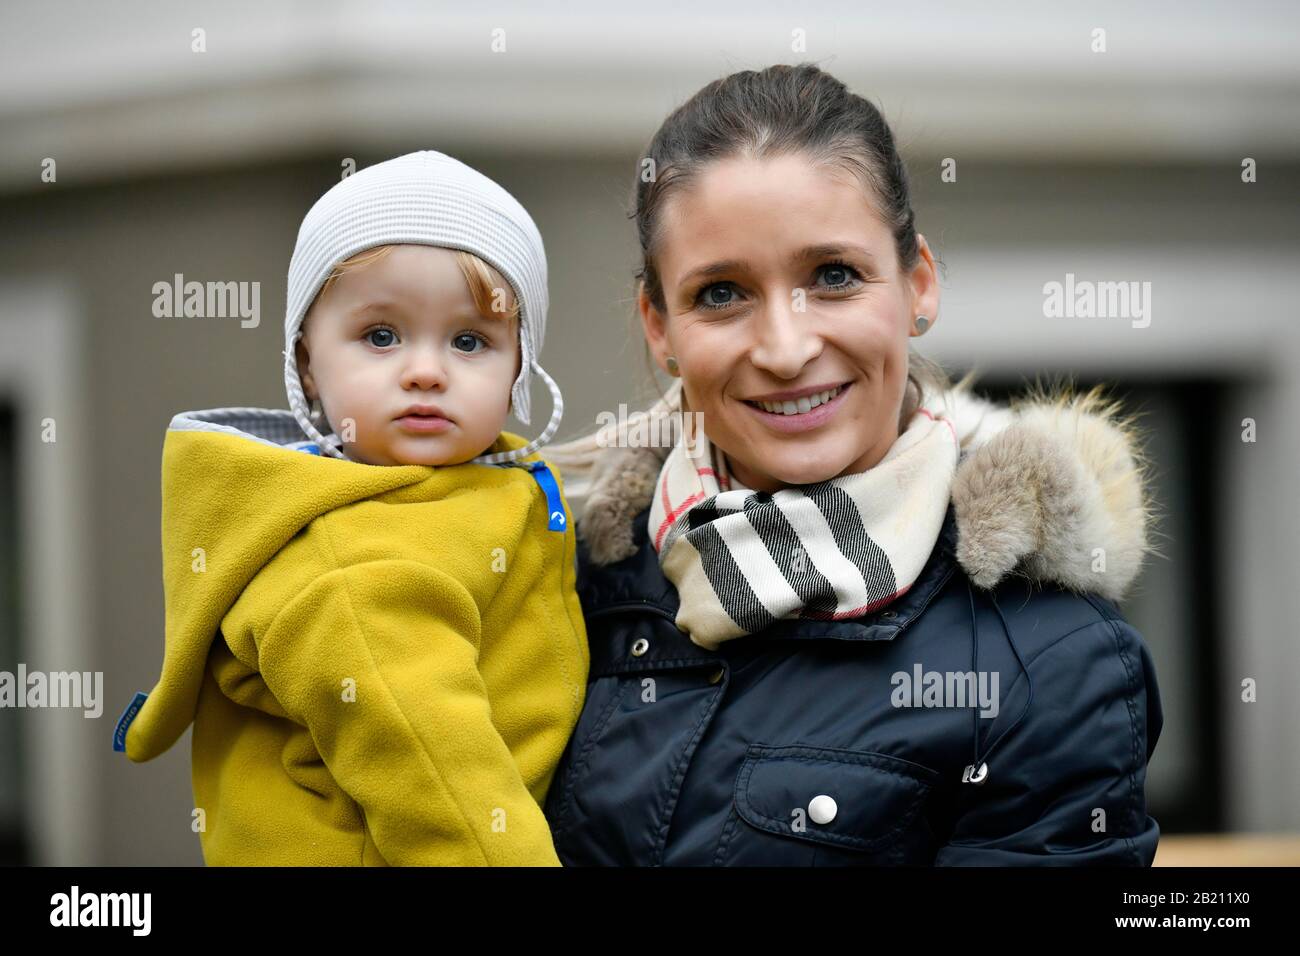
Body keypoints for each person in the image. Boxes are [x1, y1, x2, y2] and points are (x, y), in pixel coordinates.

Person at [541, 64, 1163, 865]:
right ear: (659, 326)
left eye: (833, 276)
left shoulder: (1049, 661)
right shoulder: (571, 579)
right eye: (722, 294)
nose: (787, 347)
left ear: (918, 285)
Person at [115, 150, 589, 866]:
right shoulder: (353, 557)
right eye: (380, 336)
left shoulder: (484, 486)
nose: (425, 371)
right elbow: (436, 775)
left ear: (521, 363)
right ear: (307, 362)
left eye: (470, 341)